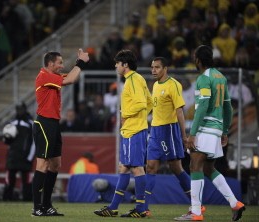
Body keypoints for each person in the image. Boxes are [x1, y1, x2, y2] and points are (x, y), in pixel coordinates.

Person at [174, 45, 245, 221]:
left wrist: (193, 133)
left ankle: (196, 213)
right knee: (208, 167)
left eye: (194, 55)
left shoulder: (203, 79)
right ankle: (235, 203)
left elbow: (203, 106)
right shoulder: (220, 77)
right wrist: (225, 130)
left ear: (198, 59)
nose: (192, 57)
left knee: (194, 166)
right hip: (216, 128)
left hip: (205, 128)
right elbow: (228, 106)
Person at [94, 49, 153, 218]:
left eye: (117, 63)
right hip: (134, 128)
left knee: (136, 169)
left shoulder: (132, 80)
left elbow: (142, 103)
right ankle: (113, 207)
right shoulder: (137, 79)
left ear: (125, 65)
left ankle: (140, 209)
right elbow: (149, 102)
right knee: (124, 167)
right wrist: (141, 118)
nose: (115, 66)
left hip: (133, 130)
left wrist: (126, 114)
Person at [32, 49, 89, 216]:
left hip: (53, 124)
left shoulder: (53, 77)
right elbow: (71, 79)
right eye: (60, 63)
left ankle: (47, 205)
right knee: (42, 165)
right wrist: (81, 62)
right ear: (50, 64)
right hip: (44, 123)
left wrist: (79, 64)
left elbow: (71, 75)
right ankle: (37, 208)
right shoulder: (44, 76)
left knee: (55, 165)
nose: (62, 66)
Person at [144, 57, 193, 217]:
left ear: (165, 68)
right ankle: (144, 208)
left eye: (157, 67)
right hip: (155, 130)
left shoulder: (174, 85)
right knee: (150, 166)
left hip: (169, 130)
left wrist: (184, 136)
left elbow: (180, 111)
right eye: (152, 67)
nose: (153, 70)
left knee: (176, 167)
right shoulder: (156, 85)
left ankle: (196, 205)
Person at [2, 102, 35, 201]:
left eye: (21, 109)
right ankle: (6, 200)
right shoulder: (11, 123)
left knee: (27, 182)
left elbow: (34, 142)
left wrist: (29, 157)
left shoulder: (31, 124)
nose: (20, 111)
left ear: (25, 109)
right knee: (9, 181)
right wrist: (6, 138)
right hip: (13, 157)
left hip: (25, 157)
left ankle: (28, 200)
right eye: (18, 109)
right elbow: (6, 141)